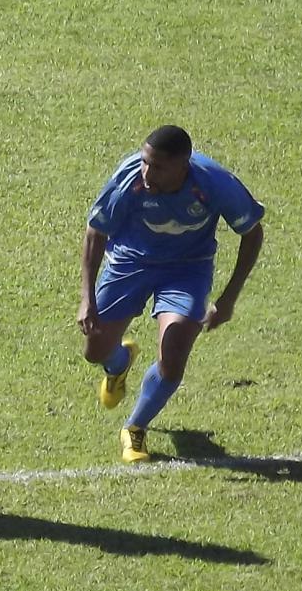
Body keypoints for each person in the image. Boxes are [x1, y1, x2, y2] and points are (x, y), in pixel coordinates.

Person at [78, 125, 264, 463]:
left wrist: (229, 298)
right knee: (95, 351)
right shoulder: (129, 178)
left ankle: (135, 428)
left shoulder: (215, 183)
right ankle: (118, 363)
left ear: (184, 165)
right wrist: (87, 298)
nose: (147, 172)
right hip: (129, 263)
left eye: (157, 166)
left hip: (187, 269)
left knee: (174, 352)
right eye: (145, 162)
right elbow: (95, 232)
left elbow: (252, 232)